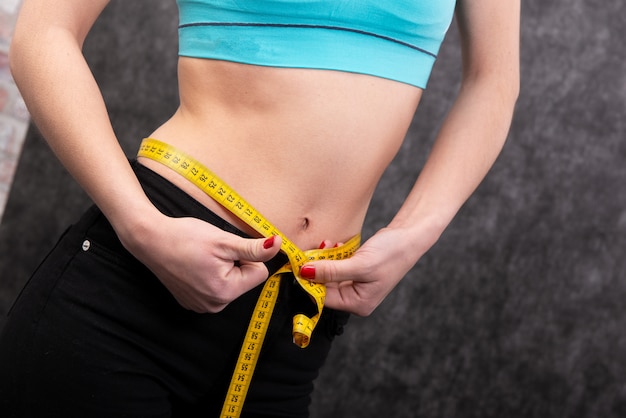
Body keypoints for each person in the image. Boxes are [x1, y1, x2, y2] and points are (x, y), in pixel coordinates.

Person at [0, 0, 519, 417]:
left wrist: (414, 234)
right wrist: (140, 226)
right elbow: (43, 34)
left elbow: (493, 80)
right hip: (140, 292)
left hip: (291, 330)